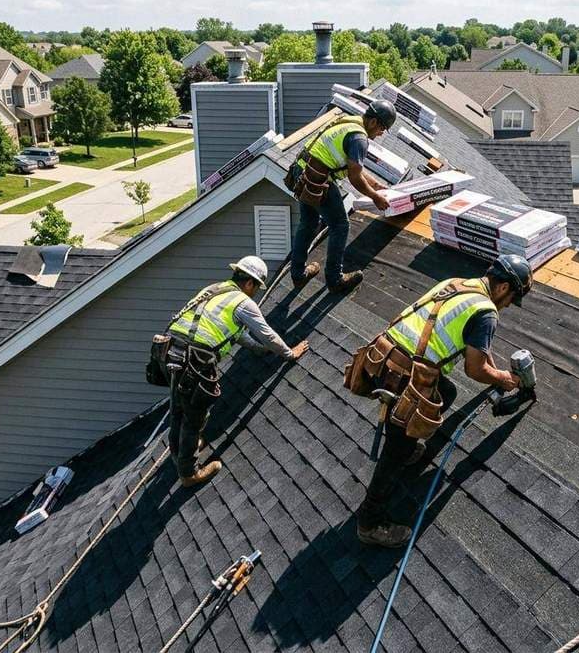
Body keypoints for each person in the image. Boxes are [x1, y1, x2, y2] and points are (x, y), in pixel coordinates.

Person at [351, 254, 533, 547]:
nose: (510, 304)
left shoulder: (458, 283)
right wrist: (503, 379)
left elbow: (475, 347)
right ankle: (370, 523)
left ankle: (404, 438)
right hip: (403, 378)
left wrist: (493, 366)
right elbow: (475, 369)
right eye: (513, 297)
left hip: (381, 357)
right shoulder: (486, 312)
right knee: (394, 453)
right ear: (503, 289)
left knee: (446, 393)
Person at [158, 256, 309, 486]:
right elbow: (266, 333)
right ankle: (188, 472)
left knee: (178, 404)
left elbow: (235, 334)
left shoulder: (214, 289)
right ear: (250, 283)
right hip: (194, 361)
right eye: (256, 287)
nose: (255, 292)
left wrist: (260, 351)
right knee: (194, 416)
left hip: (169, 351)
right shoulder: (243, 302)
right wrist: (289, 353)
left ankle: (178, 448)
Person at [289, 100, 397, 294]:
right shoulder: (359, 139)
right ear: (374, 122)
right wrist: (375, 197)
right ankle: (335, 280)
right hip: (317, 179)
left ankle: (298, 276)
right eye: (382, 128)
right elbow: (354, 177)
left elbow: (353, 167)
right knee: (340, 225)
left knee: (308, 223)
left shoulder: (350, 122)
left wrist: (375, 185)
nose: (381, 134)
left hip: (303, 171)